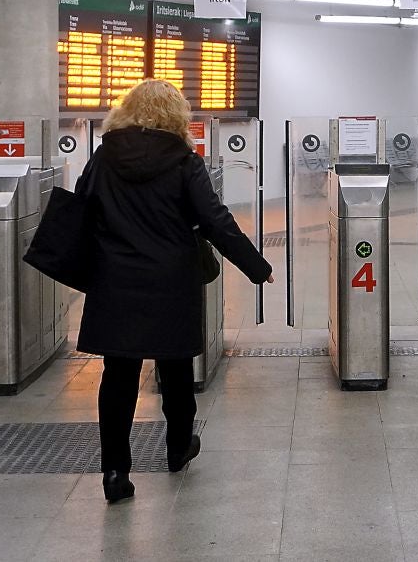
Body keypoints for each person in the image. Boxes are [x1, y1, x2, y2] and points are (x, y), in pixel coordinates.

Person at [76, 79, 274, 503]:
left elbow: (81, 208)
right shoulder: (185, 161)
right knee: (176, 368)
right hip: (171, 279)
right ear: (176, 116)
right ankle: (178, 446)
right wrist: (257, 267)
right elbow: (216, 220)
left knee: (119, 374)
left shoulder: (104, 155)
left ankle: (115, 471)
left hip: (116, 279)